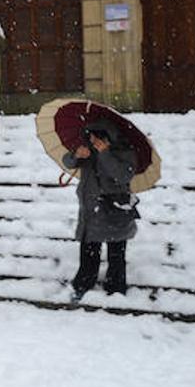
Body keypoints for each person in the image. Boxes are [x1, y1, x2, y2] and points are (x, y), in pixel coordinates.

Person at [62, 121, 139, 300]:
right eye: (91, 136)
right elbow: (68, 161)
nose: (94, 140)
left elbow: (122, 174)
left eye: (98, 137)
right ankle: (84, 283)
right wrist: (76, 155)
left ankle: (116, 287)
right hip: (91, 206)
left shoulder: (124, 150)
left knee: (116, 251)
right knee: (89, 249)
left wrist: (105, 153)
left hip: (114, 207)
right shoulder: (87, 148)